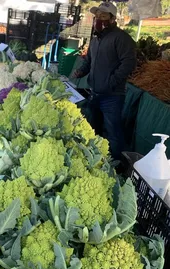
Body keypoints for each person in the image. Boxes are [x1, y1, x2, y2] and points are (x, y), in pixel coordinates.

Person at [73, 2, 136, 160]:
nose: (99, 19)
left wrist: (111, 81)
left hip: (112, 96)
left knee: (113, 133)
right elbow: (89, 60)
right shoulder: (95, 39)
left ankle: (116, 167)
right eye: (97, 16)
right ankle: (96, 161)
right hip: (95, 93)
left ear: (113, 18)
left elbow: (128, 63)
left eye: (103, 16)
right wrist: (81, 71)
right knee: (93, 130)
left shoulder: (121, 38)